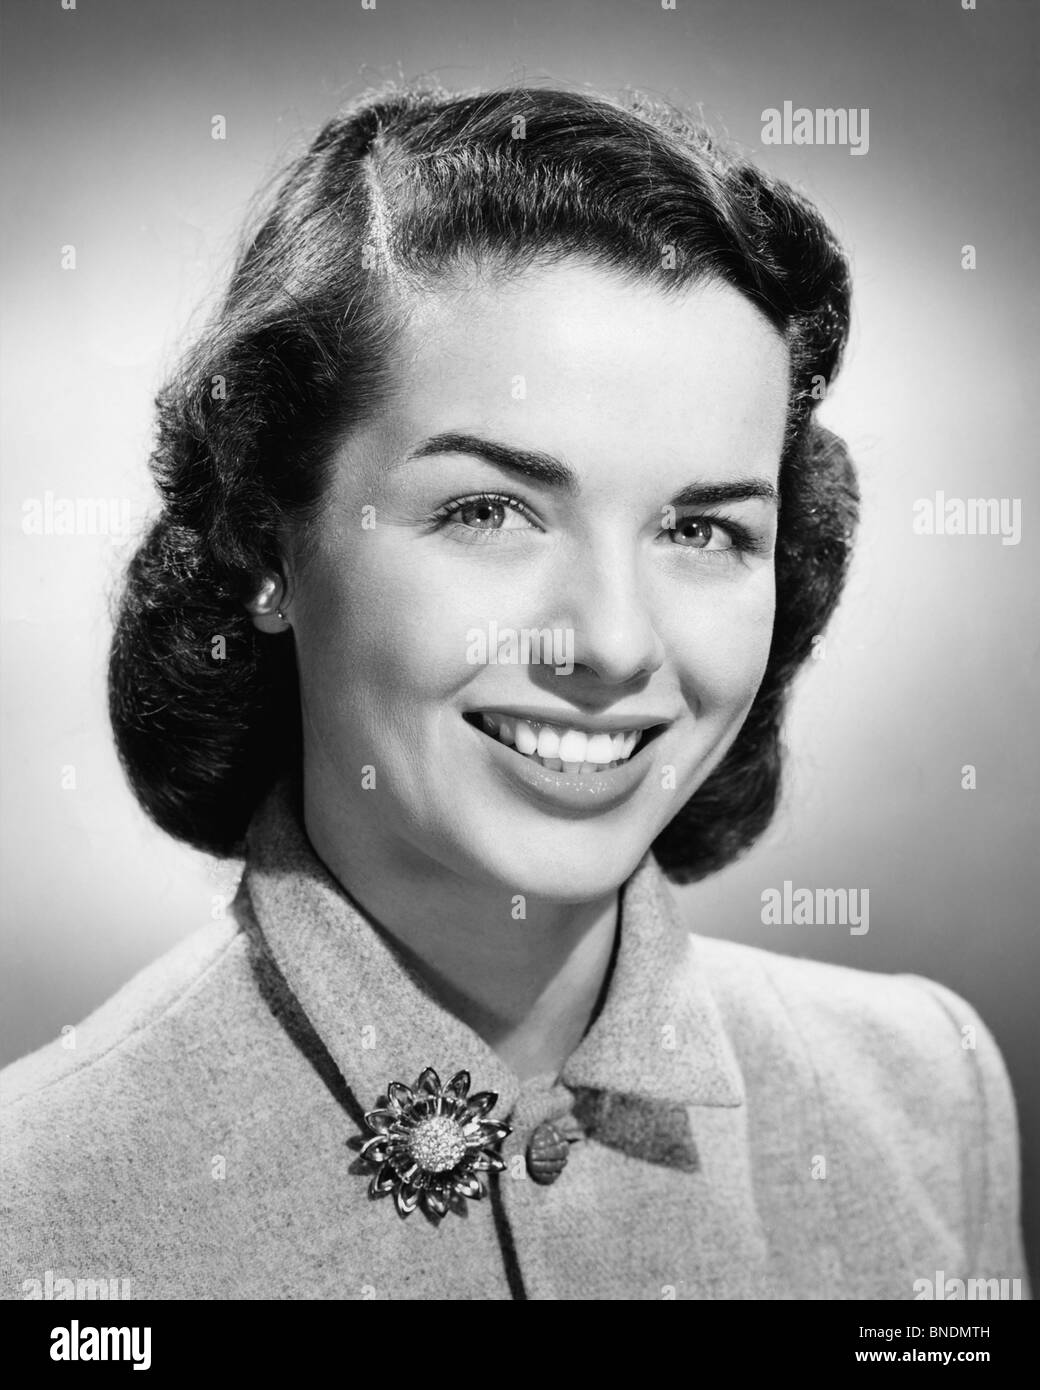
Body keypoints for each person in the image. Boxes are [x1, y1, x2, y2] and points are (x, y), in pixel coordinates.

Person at [1, 82, 1028, 1300]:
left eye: (700, 529)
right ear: (265, 543)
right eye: (488, 510)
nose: (607, 642)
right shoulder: (39, 1208)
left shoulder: (923, 1098)